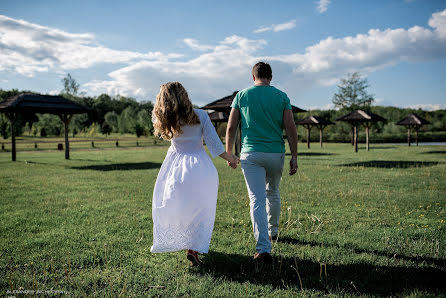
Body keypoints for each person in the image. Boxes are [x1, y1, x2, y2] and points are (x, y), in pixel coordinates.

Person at [150, 82, 239, 265]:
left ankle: (187, 244)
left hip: (175, 169)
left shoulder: (163, 119)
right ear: (185, 95)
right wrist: (231, 158)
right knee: (199, 209)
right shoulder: (200, 115)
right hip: (200, 168)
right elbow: (214, 145)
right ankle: (193, 247)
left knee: (181, 207)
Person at [226, 62, 298, 262]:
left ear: (253, 77)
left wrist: (230, 153)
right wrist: (295, 156)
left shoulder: (241, 96)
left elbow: (231, 127)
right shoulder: (281, 96)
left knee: (256, 199)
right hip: (276, 153)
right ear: (271, 77)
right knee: (273, 192)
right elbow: (290, 127)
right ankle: (273, 232)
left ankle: (263, 248)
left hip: (251, 154)